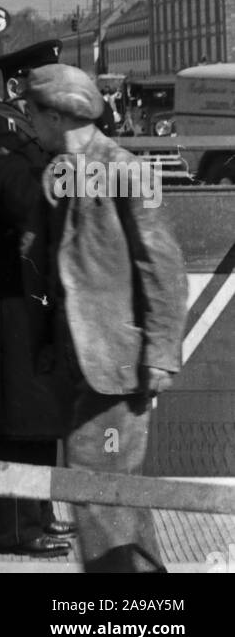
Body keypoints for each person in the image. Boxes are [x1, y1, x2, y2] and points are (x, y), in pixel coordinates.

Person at [22, 63, 187, 573]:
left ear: (53, 116)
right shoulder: (58, 175)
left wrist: (160, 351)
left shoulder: (127, 170)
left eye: (32, 113)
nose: (28, 123)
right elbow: (51, 272)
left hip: (118, 363)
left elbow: (163, 264)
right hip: (79, 362)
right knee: (116, 492)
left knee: (95, 484)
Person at [0, 39, 74, 556]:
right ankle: (9, 526)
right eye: (42, 84)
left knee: (36, 409)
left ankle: (38, 509)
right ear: (15, 88)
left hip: (31, 292)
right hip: (11, 292)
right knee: (14, 413)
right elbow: (19, 199)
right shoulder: (1, 132)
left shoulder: (31, 131)